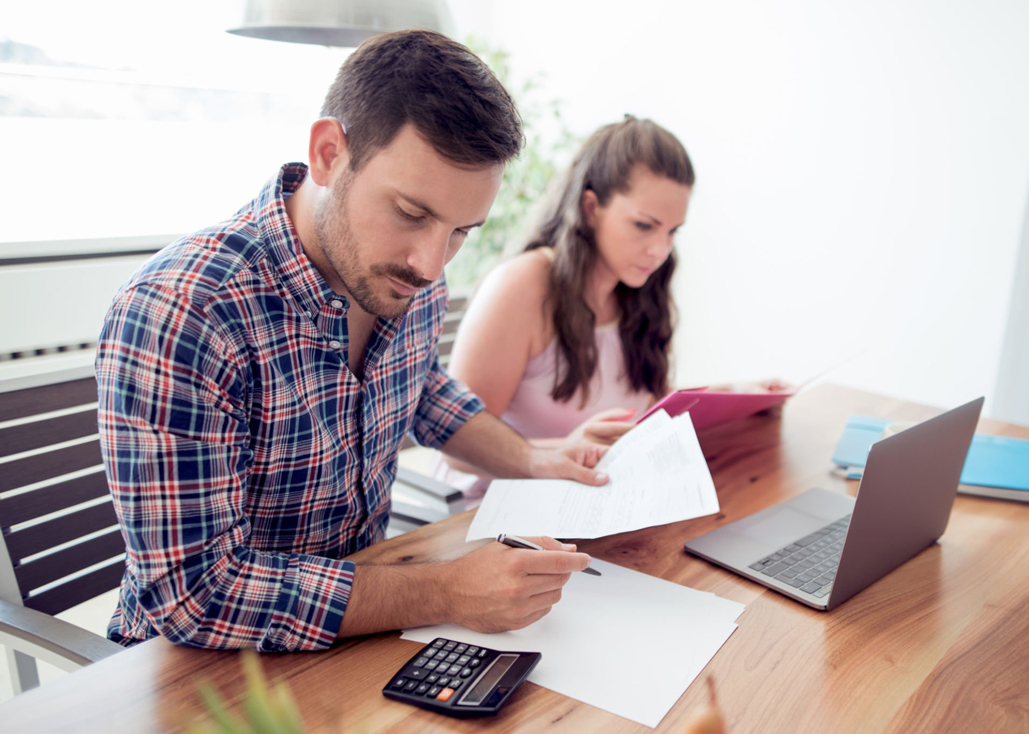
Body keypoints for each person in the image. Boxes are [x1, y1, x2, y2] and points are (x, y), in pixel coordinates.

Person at [95, 30, 608, 653]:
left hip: (358, 632)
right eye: (411, 213)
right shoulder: (185, 314)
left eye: (460, 232)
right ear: (329, 152)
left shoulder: (405, 278)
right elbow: (195, 595)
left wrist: (532, 460)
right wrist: (443, 591)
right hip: (205, 674)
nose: (431, 264)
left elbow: (422, 390)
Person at [439, 117, 694, 491]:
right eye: (644, 225)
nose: (660, 250)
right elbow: (455, 448)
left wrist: (739, 397)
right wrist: (567, 448)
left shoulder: (641, 291)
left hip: (596, 501)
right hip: (495, 514)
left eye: (672, 232)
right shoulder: (523, 286)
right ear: (591, 207)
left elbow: (651, 409)